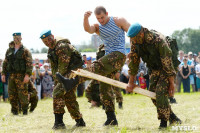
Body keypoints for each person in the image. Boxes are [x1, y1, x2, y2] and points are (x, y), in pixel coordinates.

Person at [56, 6, 130, 126]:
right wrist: (85, 18)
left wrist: (134, 51)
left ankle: (73, 81)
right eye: (98, 18)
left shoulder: (118, 20)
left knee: (96, 66)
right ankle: (111, 119)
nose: (101, 20)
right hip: (109, 56)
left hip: (119, 55)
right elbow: (88, 29)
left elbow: (132, 32)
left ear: (107, 14)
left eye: (102, 17)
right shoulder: (97, 26)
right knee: (105, 88)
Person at [126, 23, 181, 129]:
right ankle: (173, 118)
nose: (133, 41)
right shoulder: (135, 41)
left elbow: (167, 63)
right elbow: (134, 62)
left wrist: (171, 83)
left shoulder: (159, 40)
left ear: (141, 34)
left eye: (134, 38)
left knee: (160, 93)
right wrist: (131, 82)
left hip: (168, 67)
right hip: (154, 68)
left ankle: (163, 123)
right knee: (152, 94)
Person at [40, 30, 85, 129]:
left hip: (75, 72)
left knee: (57, 92)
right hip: (65, 73)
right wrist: (57, 79)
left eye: (48, 39)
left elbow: (63, 68)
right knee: (69, 97)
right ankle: (80, 121)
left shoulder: (61, 46)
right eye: (45, 42)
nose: (47, 42)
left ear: (52, 36)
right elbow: (55, 67)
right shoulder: (51, 49)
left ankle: (59, 123)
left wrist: (58, 81)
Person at [1, 34, 33, 115]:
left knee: (22, 93)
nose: (16, 39)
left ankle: (25, 111)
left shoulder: (25, 50)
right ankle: (14, 111)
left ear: (21, 38)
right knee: (11, 94)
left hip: (21, 75)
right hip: (11, 75)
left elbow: (29, 63)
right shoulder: (9, 50)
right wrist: (3, 74)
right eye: (15, 38)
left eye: (18, 38)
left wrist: (27, 75)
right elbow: (5, 62)